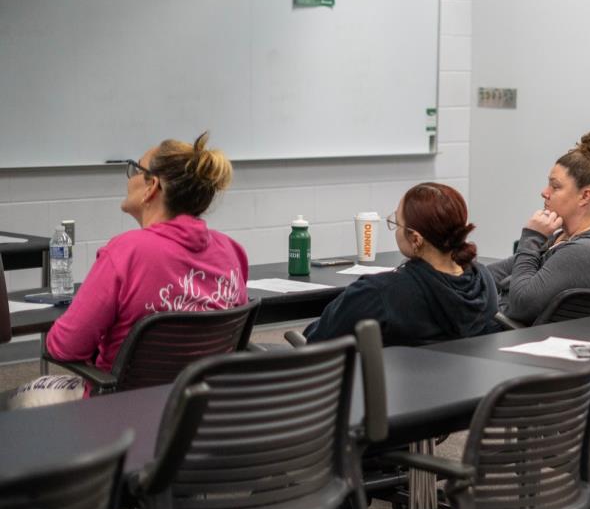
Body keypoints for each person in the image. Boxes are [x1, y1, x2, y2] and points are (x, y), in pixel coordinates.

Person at [5, 133, 248, 409]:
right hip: (197, 412)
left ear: (151, 187)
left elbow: (63, 347)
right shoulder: (232, 252)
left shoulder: (126, 252)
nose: (128, 177)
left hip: (118, 412)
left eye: (135, 169)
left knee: (17, 398)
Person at [304, 182, 497, 346]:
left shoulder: (378, 293)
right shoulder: (482, 281)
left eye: (397, 223)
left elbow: (318, 338)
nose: (395, 230)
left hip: (389, 389)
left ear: (415, 239)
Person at [488, 131, 590, 324]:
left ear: (585, 196)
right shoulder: (566, 237)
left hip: (509, 338)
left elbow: (520, 305)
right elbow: (499, 272)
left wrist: (531, 237)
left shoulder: (588, 252)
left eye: (555, 187)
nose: (544, 193)